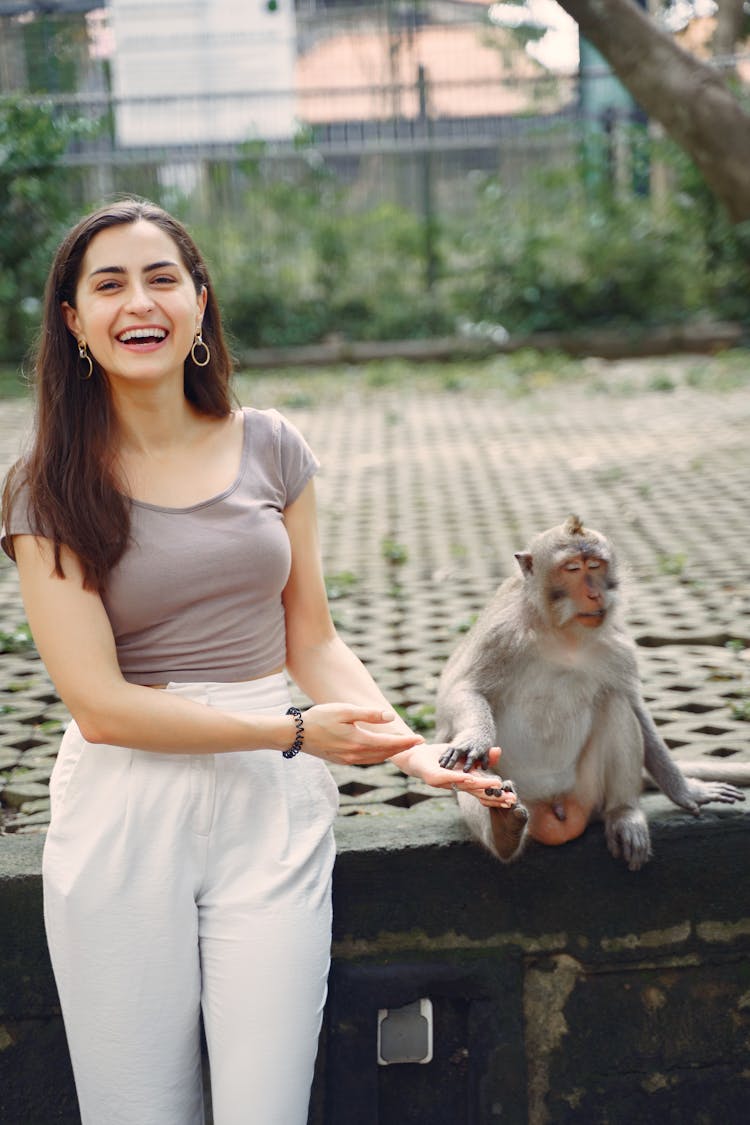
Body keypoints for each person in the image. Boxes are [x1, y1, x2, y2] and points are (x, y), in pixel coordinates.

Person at [1, 198, 513, 1125]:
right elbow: (101, 706)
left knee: (266, 1109)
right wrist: (290, 731)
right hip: (127, 806)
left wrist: (410, 751)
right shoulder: (46, 487)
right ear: (74, 325)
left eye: (162, 278)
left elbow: (309, 638)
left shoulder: (271, 446)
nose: (139, 302)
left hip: (271, 809)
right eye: (107, 285)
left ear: (199, 302)